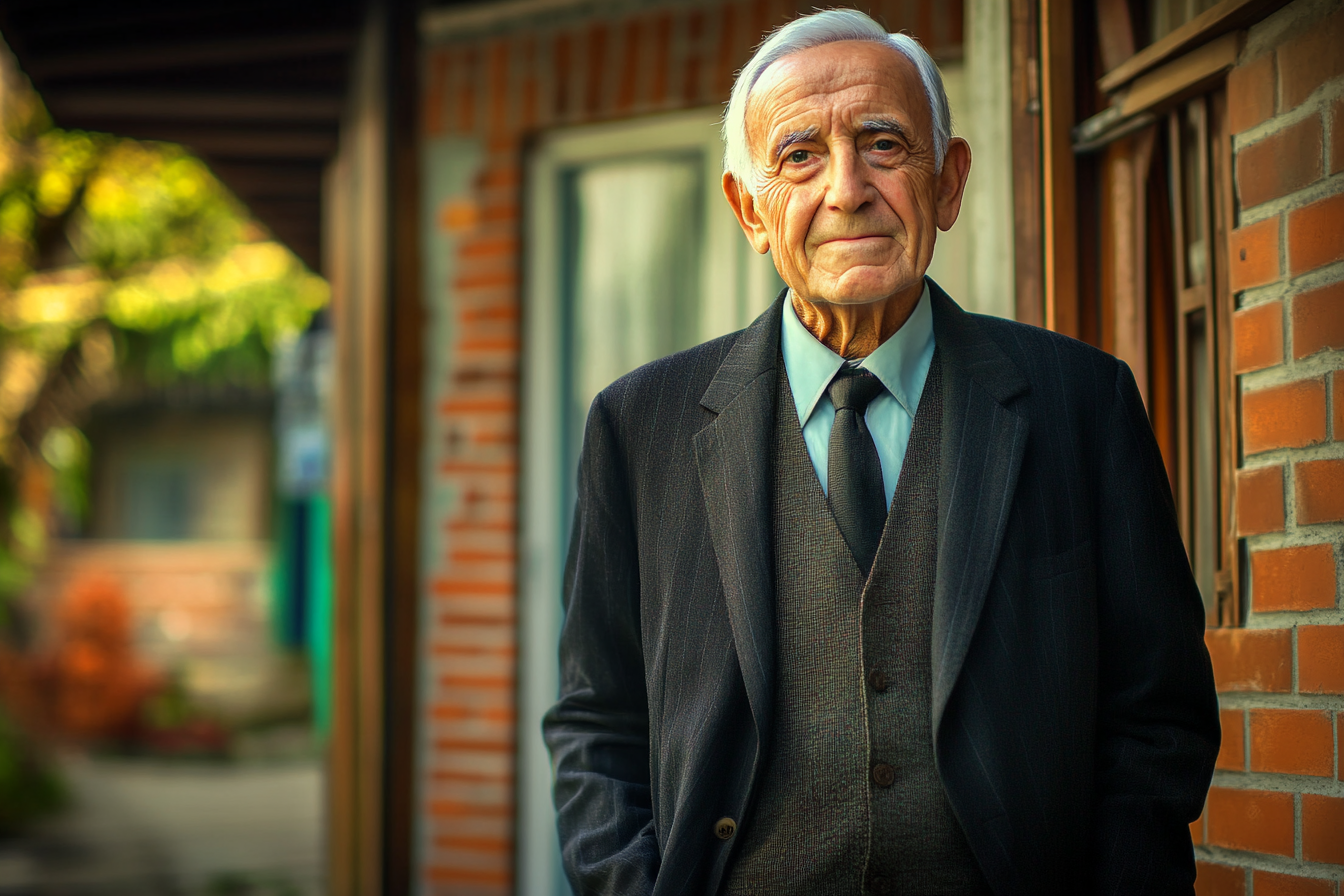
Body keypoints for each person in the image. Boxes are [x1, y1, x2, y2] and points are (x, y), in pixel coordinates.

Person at [543, 9, 1220, 895]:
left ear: (948, 182)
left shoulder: (1082, 405)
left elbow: (1156, 717)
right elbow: (598, 723)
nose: (847, 189)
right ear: (750, 210)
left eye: (884, 144)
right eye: (799, 156)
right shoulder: (641, 425)